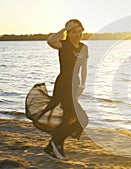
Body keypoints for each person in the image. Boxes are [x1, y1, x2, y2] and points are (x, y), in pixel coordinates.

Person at [25, 19, 89, 160]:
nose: (78, 34)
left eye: (79, 31)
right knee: (82, 119)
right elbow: (50, 40)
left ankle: (52, 148)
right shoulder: (63, 45)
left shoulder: (84, 47)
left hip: (74, 84)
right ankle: (55, 143)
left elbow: (84, 68)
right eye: (74, 31)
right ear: (68, 33)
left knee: (68, 118)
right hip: (63, 84)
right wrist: (64, 29)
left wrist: (82, 86)